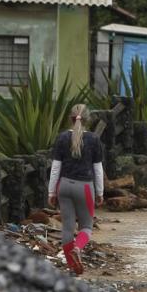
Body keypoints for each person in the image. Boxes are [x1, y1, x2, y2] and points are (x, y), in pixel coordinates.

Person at [47, 103, 103, 275]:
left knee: (67, 228)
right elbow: (98, 169)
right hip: (84, 187)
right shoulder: (93, 139)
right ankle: (78, 249)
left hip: (63, 185)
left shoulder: (62, 137)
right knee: (86, 226)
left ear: (71, 118)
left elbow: (56, 167)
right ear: (87, 119)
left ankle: (72, 267)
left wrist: (51, 191)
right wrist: (100, 192)